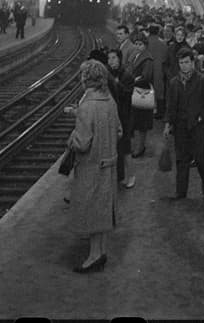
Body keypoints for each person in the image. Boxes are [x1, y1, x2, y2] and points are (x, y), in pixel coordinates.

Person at [67, 59, 122, 273]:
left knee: (91, 213)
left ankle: (93, 257)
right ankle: (101, 252)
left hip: (91, 168)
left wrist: (71, 139)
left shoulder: (87, 105)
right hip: (109, 165)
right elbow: (119, 131)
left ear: (86, 79)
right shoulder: (110, 101)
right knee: (102, 212)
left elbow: (82, 143)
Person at [164, 47, 204, 198]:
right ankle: (181, 191)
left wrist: (201, 117)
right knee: (181, 158)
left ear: (192, 63)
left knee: (199, 157)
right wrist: (168, 123)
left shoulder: (203, 80)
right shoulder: (174, 83)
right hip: (180, 125)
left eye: (186, 62)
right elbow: (171, 105)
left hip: (197, 125)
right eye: (181, 63)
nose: (184, 65)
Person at [106, 48, 136, 189]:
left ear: (119, 59)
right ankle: (119, 176)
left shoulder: (127, 75)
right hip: (112, 116)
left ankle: (131, 176)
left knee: (125, 148)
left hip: (124, 117)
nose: (111, 61)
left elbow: (127, 95)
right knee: (114, 148)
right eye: (109, 58)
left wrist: (117, 84)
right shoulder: (108, 75)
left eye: (114, 58)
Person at [129, 35, 154, 158]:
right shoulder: (137, 56)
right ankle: (138, 146)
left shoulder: (147, 59)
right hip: (137, 92)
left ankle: (140, 147)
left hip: (142, 93)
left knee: (141, 123)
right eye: (136, 44)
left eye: (140, 44)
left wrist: (133, 80)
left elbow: (146, 77)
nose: (138, 46)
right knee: (137, 122)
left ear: (145, 45)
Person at [146, 24, 169, 119]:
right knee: (159, 92)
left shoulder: (146, 42)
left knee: (146, 89)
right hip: (159, 69)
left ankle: (147, 111)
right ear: (158, 31)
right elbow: (166, 57)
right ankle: (160, 112)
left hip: (147, 68)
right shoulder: (163, 43)